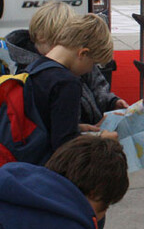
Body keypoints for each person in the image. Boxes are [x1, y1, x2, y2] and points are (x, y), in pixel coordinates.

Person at [0, 135, 130, 229]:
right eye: (106, 205)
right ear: (96, 193)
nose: (102, 215)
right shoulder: (63, 225)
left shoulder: (23, 187)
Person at [5, 1, 128, 126]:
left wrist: (111, 102)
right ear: (41, 37)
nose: (64, 48)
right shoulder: (37, 74)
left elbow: (96, 84)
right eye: (58, 44)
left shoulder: (77, 58)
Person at [27, 13, 118, 161]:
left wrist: (77, 128)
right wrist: (101, 140)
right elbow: (64, 145)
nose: (90, 70)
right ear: (83, 53)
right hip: (50, 168)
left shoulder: (36, 66)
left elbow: (45, 121)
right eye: (93, 64)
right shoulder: (67, 83)